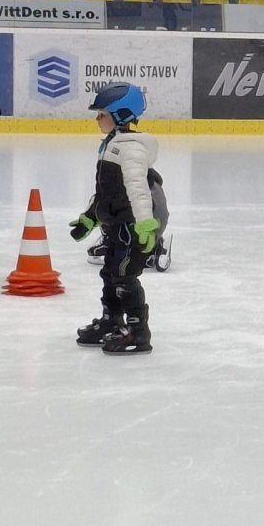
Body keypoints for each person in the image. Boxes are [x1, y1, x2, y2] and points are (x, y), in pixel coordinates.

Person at [70, 82, 160, 353]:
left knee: (124, 276)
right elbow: (106, 192)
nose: (97, 119)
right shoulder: (111, 145)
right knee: (110, 274)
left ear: (121, 115)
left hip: (129, 227)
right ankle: (112, 320)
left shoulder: (131, 149)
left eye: (102, 114)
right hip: (113, 226)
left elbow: (138, 190)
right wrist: (90, 217)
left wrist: (145, 225)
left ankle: (137, 331)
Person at [87, 169, 171, 271]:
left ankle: (112, 241)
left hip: (142, 225)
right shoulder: (149, 180)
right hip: (156, 225)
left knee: (103, 202)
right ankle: (152, 246)